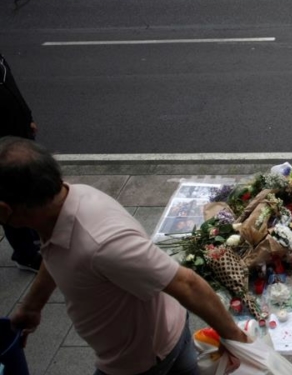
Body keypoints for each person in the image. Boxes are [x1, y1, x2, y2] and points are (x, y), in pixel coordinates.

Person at [0, 137, 248, 374]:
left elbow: (188, 284)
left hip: (140, 361)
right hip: (164, 331)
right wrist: (32, 306)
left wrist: (236, 340)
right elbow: (54, 251)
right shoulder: (67, 200)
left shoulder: (103, 244)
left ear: (4, 209)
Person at [1, 52, 42, 272]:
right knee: (11, 199)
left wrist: (27, 117)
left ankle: (36, 234)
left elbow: (10, 85)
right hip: (3, 145)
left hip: (19, 132)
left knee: (31, 189)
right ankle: (26, 255)